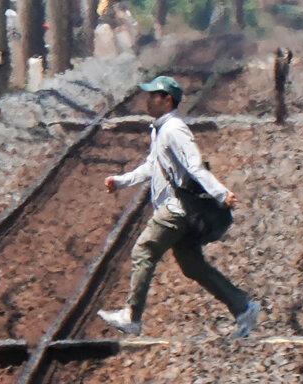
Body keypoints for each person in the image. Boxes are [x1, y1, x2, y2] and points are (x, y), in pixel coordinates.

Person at [98, 75, 260, 337]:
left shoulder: (175, 129)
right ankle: (244, 307)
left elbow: (195, 165)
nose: (148, 100)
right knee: (192, 266)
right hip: (178, 207)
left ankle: (132, 316)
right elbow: (152, 165)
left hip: (176, 209)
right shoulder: (160, 129)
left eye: (153, 96)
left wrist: (221, 194)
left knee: (144, 249)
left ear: (167, 100)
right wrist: (121, 181)